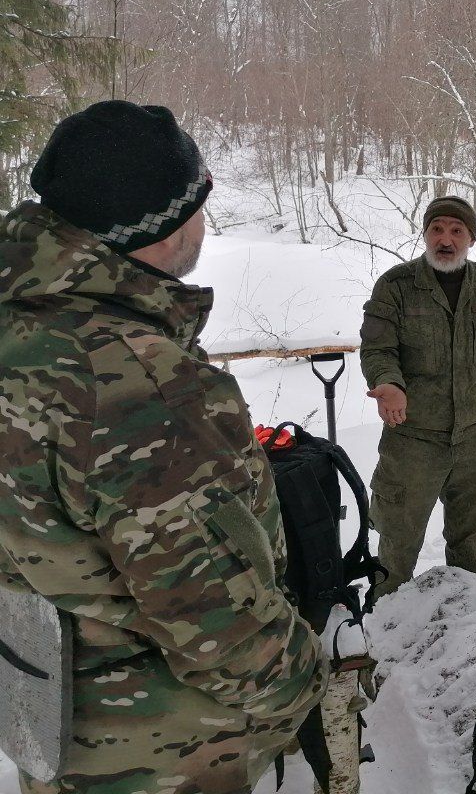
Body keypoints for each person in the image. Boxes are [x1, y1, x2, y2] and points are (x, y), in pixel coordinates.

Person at [0, 101, 325, 794]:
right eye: (198, 204)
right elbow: (225, 630)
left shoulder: (20, 328)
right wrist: (305, 681)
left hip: (47, 726)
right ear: (163, 226)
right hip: (159, 757)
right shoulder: (134, 384)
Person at [360, 195, 476, 599]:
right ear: (425, 233)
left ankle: (469, 636)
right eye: (437, 229)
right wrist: (389, 383)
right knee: (396, 549)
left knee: (470, 550)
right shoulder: (396, 287)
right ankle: (380, 637)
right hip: (413, 440)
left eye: (456, 231)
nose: (445, 239)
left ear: (470, 238)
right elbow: (379, 348)